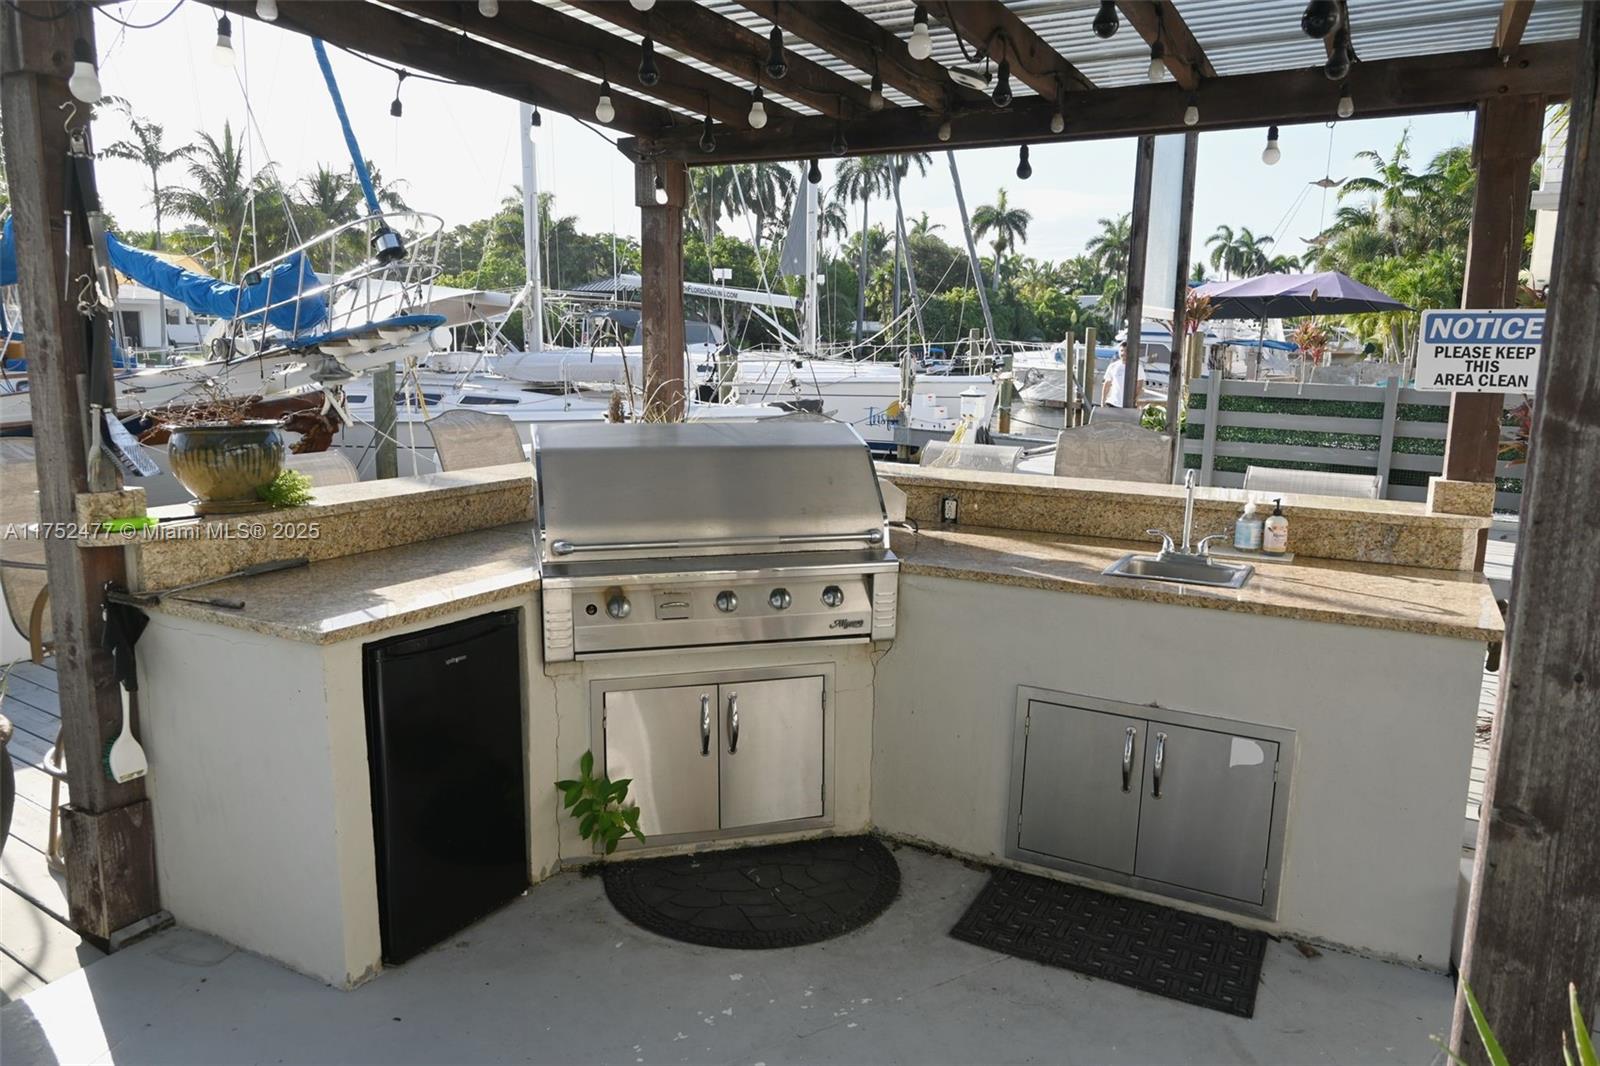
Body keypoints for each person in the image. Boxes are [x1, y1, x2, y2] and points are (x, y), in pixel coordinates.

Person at [1101, 341, 1147, 408]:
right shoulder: (1112, 366)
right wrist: (1103, 401)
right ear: (1119, 352)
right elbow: (1107, 384)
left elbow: (1139, 386)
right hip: (1112, 403)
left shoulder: (1138, 367)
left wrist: (1134, 400)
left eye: (1126, 351)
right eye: (1121, 350)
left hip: (1129, 405)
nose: (1123, 353)